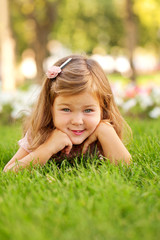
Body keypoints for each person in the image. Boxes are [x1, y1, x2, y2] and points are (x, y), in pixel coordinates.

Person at [3, 55, 131, 172]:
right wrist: (48, 148)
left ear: (103, 108)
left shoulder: (103, 131)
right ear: (50, 107)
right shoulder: (40, 133)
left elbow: (125, 167)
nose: (77, 121)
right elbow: (9, 171)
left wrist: (105, 131)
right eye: (66, 109)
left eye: (88, 110)